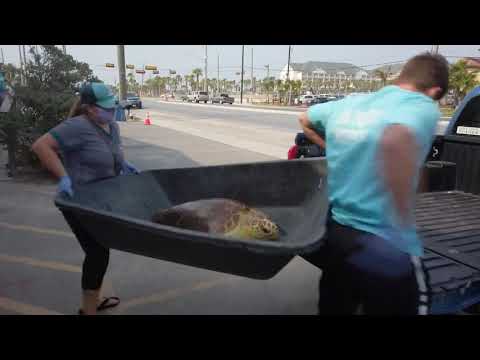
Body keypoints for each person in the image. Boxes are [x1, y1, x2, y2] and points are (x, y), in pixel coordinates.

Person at [298, 52, 449, 315]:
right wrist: (403, 218)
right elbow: (395, 141)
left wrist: (333, 147)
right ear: (435, 90)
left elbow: (305, 120)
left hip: (337, 235)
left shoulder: (349, 104)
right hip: (385, 243)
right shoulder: (421, 105)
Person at [32, 82, 140, 315]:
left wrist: (123, 164)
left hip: (101, 201)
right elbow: (41, 146)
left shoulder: (111, 126)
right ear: (90, 108)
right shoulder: (76, 127)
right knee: (97, 252)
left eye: (112, 107)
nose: (111, 112)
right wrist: (63, 177)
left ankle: (94, 299)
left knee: (101, 249)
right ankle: (88, 310)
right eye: (106, 108)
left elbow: (114, 151)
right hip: (78, 201)